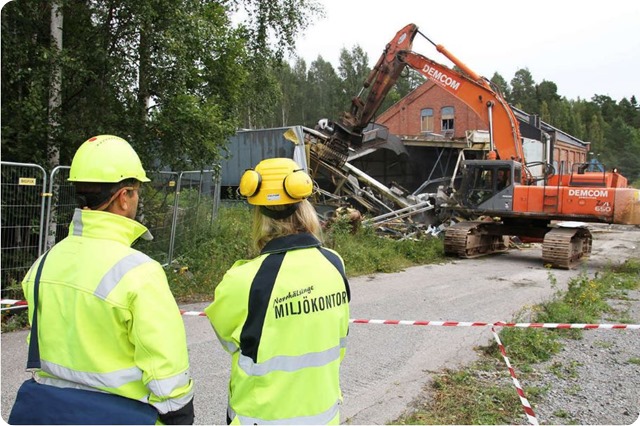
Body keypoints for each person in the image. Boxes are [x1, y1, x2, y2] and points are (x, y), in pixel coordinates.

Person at [20, 135, 195, 424]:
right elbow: (166, 370)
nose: (137, 199)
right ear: (124, 197)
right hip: (121, 416)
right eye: (137, 191)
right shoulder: (139, 272)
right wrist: (180, 415)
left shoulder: (44, 264)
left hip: (49, 414)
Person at [205, 157, 351, 425]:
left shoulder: (242, 280)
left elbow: (229, 340)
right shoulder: (333, 263)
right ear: (305, 204)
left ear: (258, 212)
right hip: (325, 417)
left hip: (261, 418)